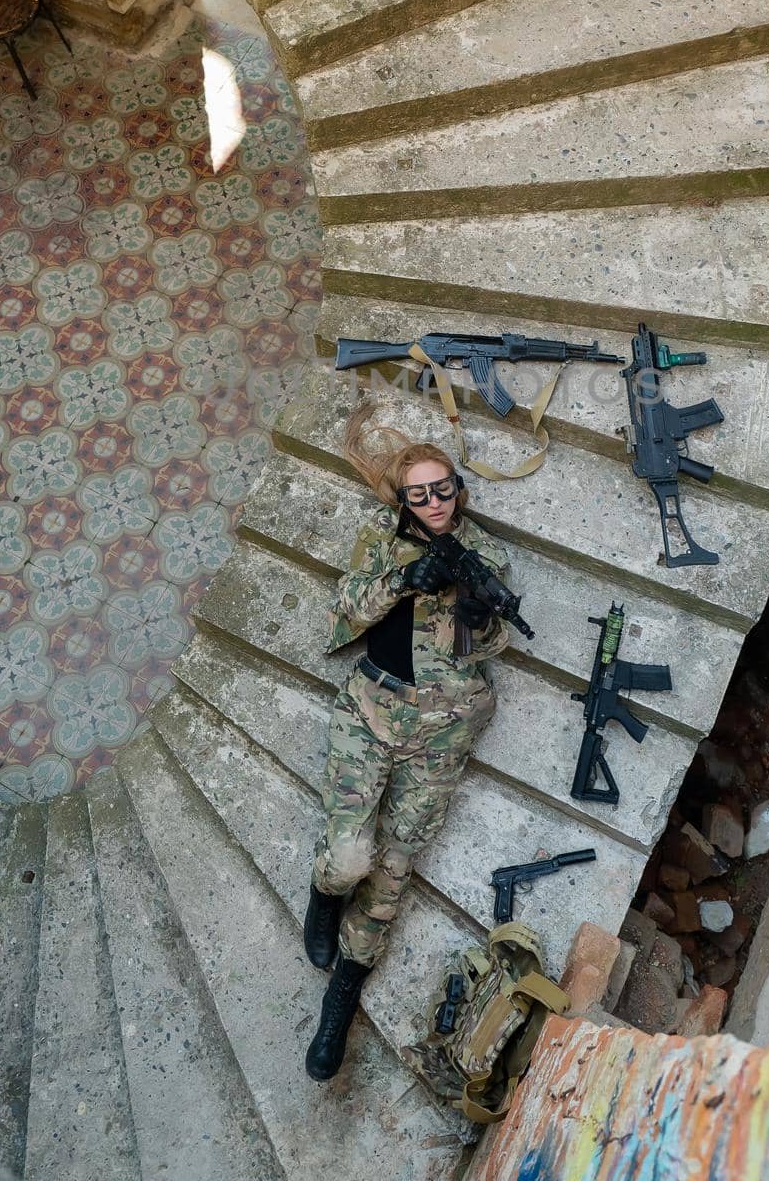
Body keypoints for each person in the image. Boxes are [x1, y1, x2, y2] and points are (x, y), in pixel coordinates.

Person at [302, 404, 512, 1082]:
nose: (433, 504)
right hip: (370, 713)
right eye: (418, 495)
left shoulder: (487, 556)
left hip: (441, 734)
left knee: (391, 875)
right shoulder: (381, 539)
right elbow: (351, 606)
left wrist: (479, 617)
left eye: (442, 490)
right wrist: (405, 579)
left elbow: (491, 644)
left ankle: (342, 999)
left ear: (459, 490)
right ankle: (324, 896)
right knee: (347, 859)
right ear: (404, 500)